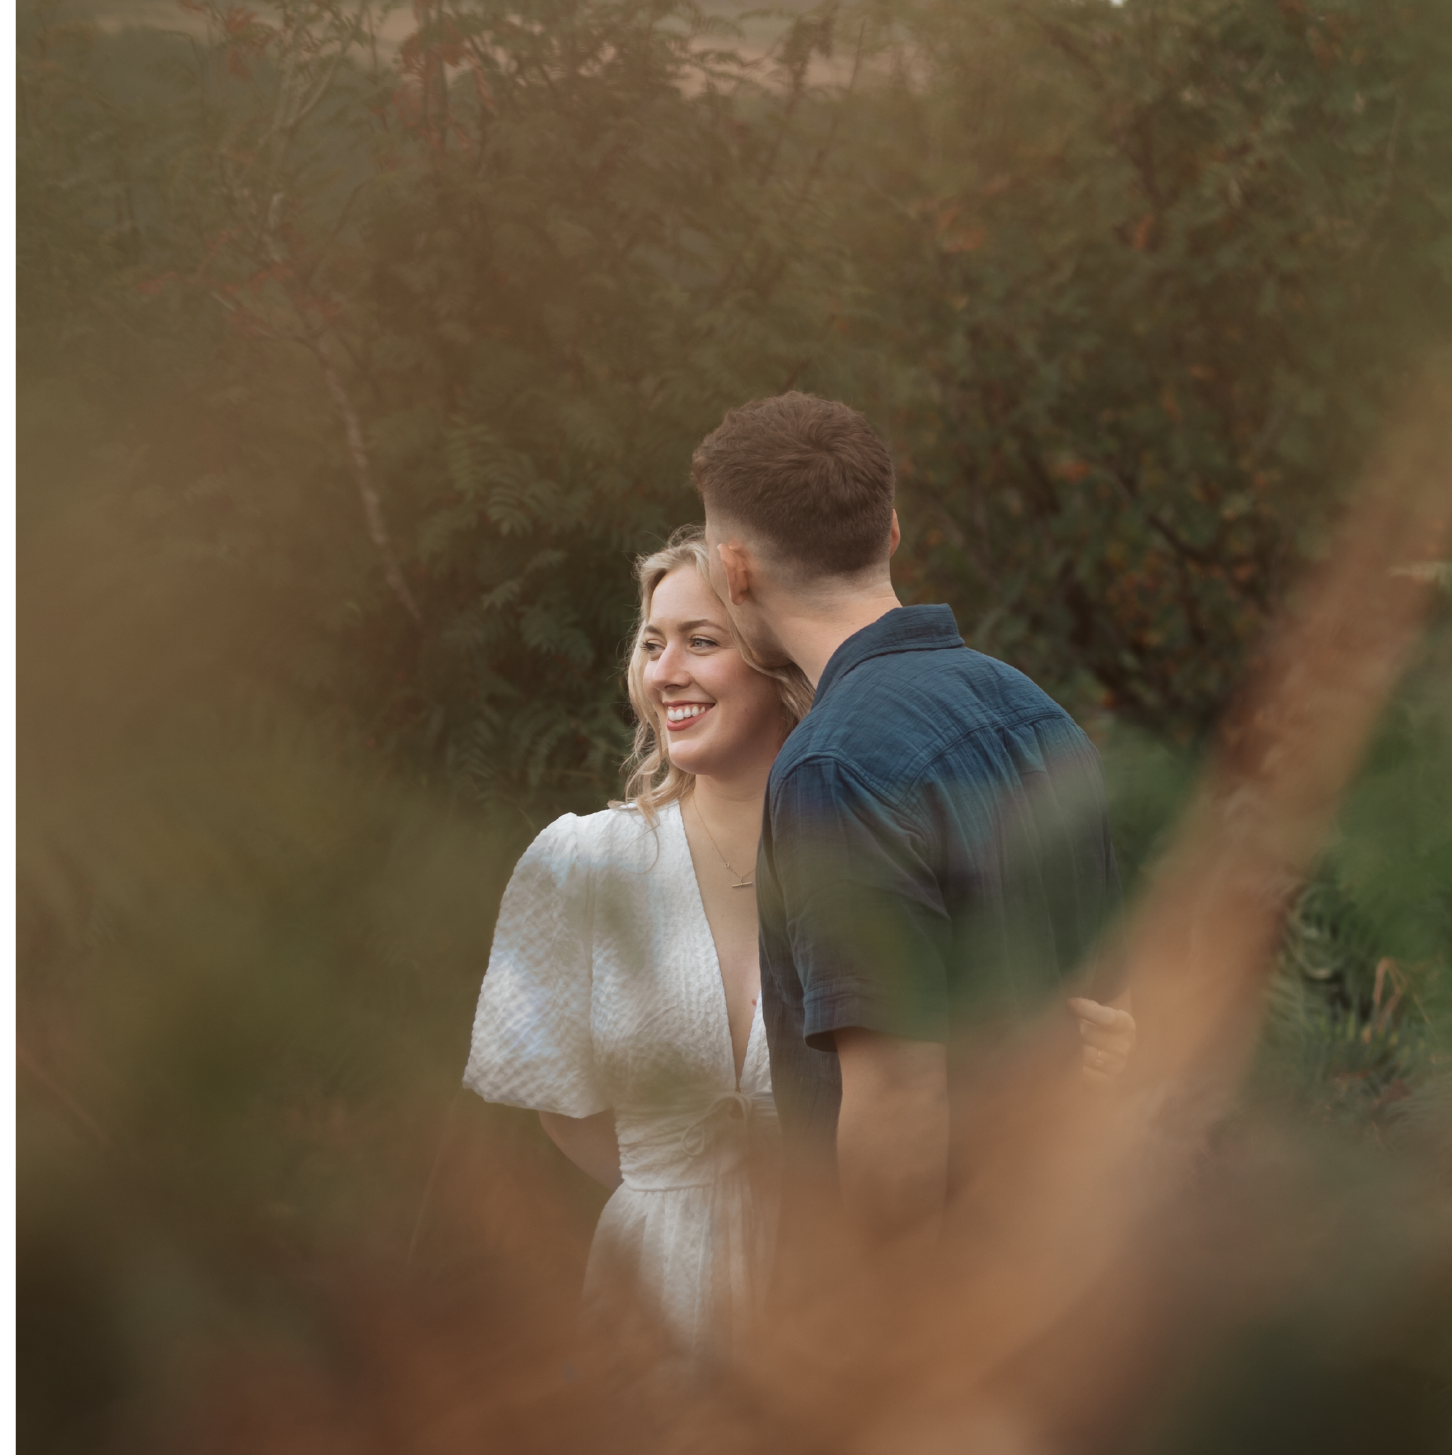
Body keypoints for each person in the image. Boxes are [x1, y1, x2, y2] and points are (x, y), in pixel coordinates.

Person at [463, 522, 1133, 1351]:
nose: (665, 671)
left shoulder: (870, 837)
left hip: (841, 1288)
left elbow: (973, 1054)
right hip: (649, 1305)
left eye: (700, 641)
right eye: (651, 643)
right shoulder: (581, 864)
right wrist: (684, 1196)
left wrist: (1102, 1050)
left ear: (773, 655)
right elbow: (555, 1103)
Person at [694, 390, 1130, 1246]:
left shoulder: (833, 764)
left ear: (734, 569)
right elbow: (1113, 1008)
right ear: (890, 531)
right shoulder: (1035, 710)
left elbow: (896, 1098)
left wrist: (882, 1338)